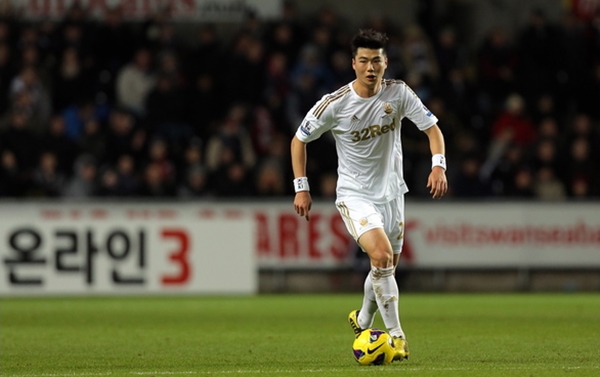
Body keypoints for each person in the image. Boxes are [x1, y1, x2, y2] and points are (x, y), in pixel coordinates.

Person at [290, 29, 448, 362]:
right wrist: (301, 187)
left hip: (393, 194)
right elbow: (298, 140)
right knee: (380, 256)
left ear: (386, 63)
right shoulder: (335, 104)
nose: (370, 67)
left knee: (385, 266)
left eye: (376, 60)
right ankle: (397, 337)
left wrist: (438, 167)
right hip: (355, 194)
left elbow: (432, 129)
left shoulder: (399, 94)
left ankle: (362, 319)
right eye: (364, 60)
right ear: (353, 64)